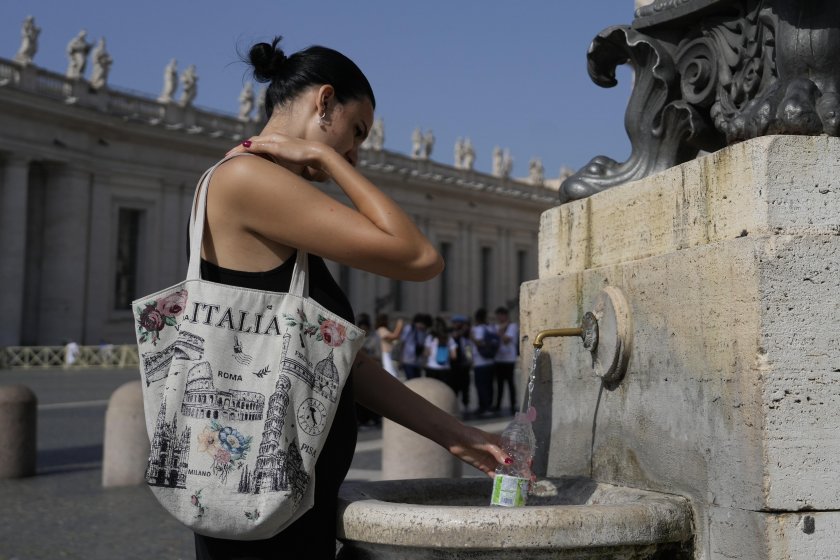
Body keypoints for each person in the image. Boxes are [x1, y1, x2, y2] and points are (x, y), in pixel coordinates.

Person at [190, 37, 506, 559]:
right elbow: (419, 258)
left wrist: (452, 434)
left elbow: (342, 364)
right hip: (262, 503)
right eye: (355, 132)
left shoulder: (267, 194)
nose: (356, 153)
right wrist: (326, 158)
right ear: (324, 102)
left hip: (290, 497)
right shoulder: (247, 178)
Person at [493, 306, 520, 415]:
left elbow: (506, 340)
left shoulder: (512, 326)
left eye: (501, 315)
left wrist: (499, 332)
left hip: (509, 359)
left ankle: (513, 404)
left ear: (505, 316)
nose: (499, 318)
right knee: (499, 384)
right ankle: (498, 405)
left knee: (510, 383)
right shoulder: (496, 326)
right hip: (498, 359)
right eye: (498, 315)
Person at [470, 308, 496, 417]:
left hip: (480, 362)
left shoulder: (478, 329)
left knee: (481, 386)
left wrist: (471, 337)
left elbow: (479, 343)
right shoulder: (490, 327)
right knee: (489, 385)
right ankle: (488, 406)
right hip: (490, 360)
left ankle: (484, 407)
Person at [448, 314, 473, 415]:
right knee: (454, 387)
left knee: (465, 386)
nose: (457, 325)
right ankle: (454, 405)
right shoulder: (451, 333)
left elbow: (469, 349)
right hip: (453, 365)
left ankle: (466, 405)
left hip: (464, 365)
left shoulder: (467, 335)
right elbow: (455, 336)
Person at [422, 316, 456, 382]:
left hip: (431, 368)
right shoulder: (449, 339)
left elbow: (426, 353)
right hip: (445, 369)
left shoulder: (430, 338)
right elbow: (454, 356)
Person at [399, 312, 431, 380]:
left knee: (417, 381)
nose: (422, 327)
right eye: (421, 324)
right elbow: (402, 343)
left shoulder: (424, 332)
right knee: (410, 380)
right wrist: (401, 359)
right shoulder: (409, 329)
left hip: (418, 362)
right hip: (408, 360)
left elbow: (423, 347)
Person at [375, 313, 403, 378]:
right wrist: (399, 325)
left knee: (394, 375)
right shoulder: (381, 329)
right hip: (385, 355)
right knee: (391, 375)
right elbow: (395, 336)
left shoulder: (384, 329)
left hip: (390, 355)